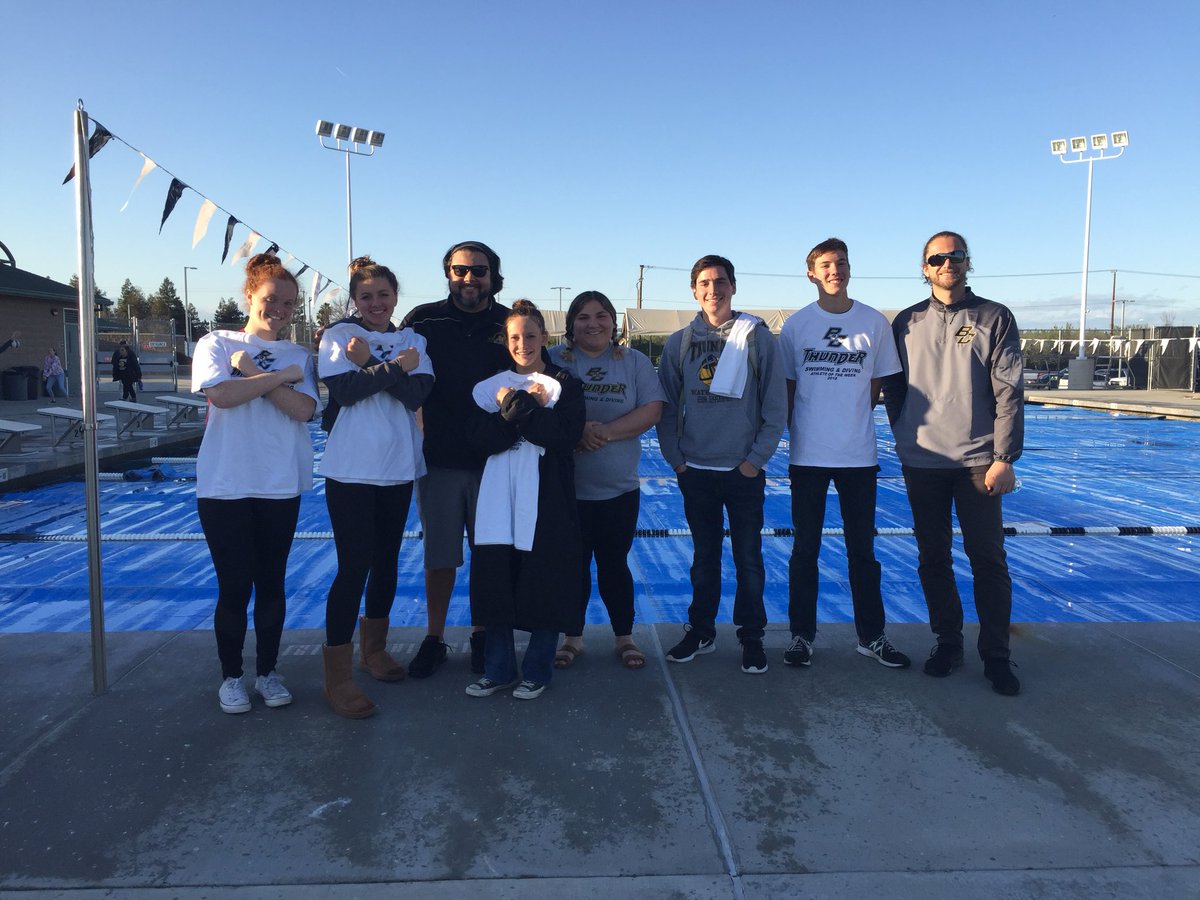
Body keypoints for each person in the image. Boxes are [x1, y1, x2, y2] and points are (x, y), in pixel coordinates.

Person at [881, 231, 1024, 696]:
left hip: (978, 462)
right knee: (933, 557)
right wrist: (904, 433)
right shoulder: (905, 322)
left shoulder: (994, 317)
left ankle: (997, 656)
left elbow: (1009, 391)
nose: (947, 264)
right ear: (924, 267)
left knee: (987, 558)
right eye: (937, 258)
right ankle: (947, 643)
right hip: (922, 461)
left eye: (955, 256)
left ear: (967, 262)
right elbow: (894, 388)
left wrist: (1004, 457)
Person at [192, 253, 319, 714]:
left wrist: (252, 372)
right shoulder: (216, 343)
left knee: (271, 583)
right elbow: (221, 396)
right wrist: (275, 379)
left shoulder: (299, 356)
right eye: (271, 299)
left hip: (278, 483)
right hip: (224, 485)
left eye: (289, 303)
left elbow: (303, 411)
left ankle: (267, 672)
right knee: (233, 585)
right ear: (250, 295)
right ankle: (231, 677)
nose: (280, 310)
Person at [777, 238, 910, 670]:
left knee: (863, 553)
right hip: (808, 456)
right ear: (811, 273)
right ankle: (801, 635)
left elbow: (877, 386)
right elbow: (789, 391)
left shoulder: (873, 322)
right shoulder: (796, 326)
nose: (836, 270)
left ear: (850, 270)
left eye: (842, 263)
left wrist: (847, 417)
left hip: (858, 455)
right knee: (805, 551)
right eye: (827, 264)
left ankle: (872, 636)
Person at [657, 255, 787, 674]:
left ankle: (751, 636)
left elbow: (775, 406)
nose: (714, 290)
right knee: (704, 557)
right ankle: (702, 630)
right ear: (695, 291)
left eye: (721, 282)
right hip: (696, 470)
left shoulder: (757, 338)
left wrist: (754, 461)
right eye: (706, 283)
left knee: (749, 558)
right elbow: (666, 407)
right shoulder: (678, 343)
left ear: (734, 287)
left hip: (742, 472)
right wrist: (677, 461)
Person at [317, 256, 434, 718]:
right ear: (354, 300)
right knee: (353, 567)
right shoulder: (339, 337)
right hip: (350, 471)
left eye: (383, 294)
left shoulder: (414, 340)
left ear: (395, 297)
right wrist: (387, 368)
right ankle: (337, 675)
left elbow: (417, 396)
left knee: (385, 562)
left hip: (398, 467)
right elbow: (343, 393)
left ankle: (374, 650)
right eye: (366, 296)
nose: (376, 303)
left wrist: (371, 368)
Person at [399, 241, 510, 678]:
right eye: (460, 271)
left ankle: (482, 634)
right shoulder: (423, 320)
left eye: (478, 271)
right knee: (439, 555)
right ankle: (435, 637)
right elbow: (389, 354)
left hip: (495, 460)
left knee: (489, 554)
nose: (469, 279)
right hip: (439, 459)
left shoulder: (509, 322)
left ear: (493, 275)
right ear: (448, 273)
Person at [465, 300, 584, 700]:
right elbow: (483, 440)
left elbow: (561, 436)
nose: (523, 344)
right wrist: (518, 409)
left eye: (531, 336)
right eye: (515, 337)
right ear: (506, 341)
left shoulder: (564, 383)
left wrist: (518, 406)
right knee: (496, 583)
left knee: (544, 583)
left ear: (544, 338)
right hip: (496, 501)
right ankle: (498, 670)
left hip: (547, 499)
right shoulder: (487, 386)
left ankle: (538, 670)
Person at [550, 291, 663, 670]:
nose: (593, 323)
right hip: (567, 491)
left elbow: (651, 410)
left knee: (615, 564)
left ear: (614, 323)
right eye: (583, 317)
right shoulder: (554, 360)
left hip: (619, 489)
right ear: (571, 325)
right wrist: (573, 431)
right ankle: (573, 637)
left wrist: (601, 434)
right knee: (572, 566)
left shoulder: (634, 362)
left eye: (601, 316)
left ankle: (624, 637)